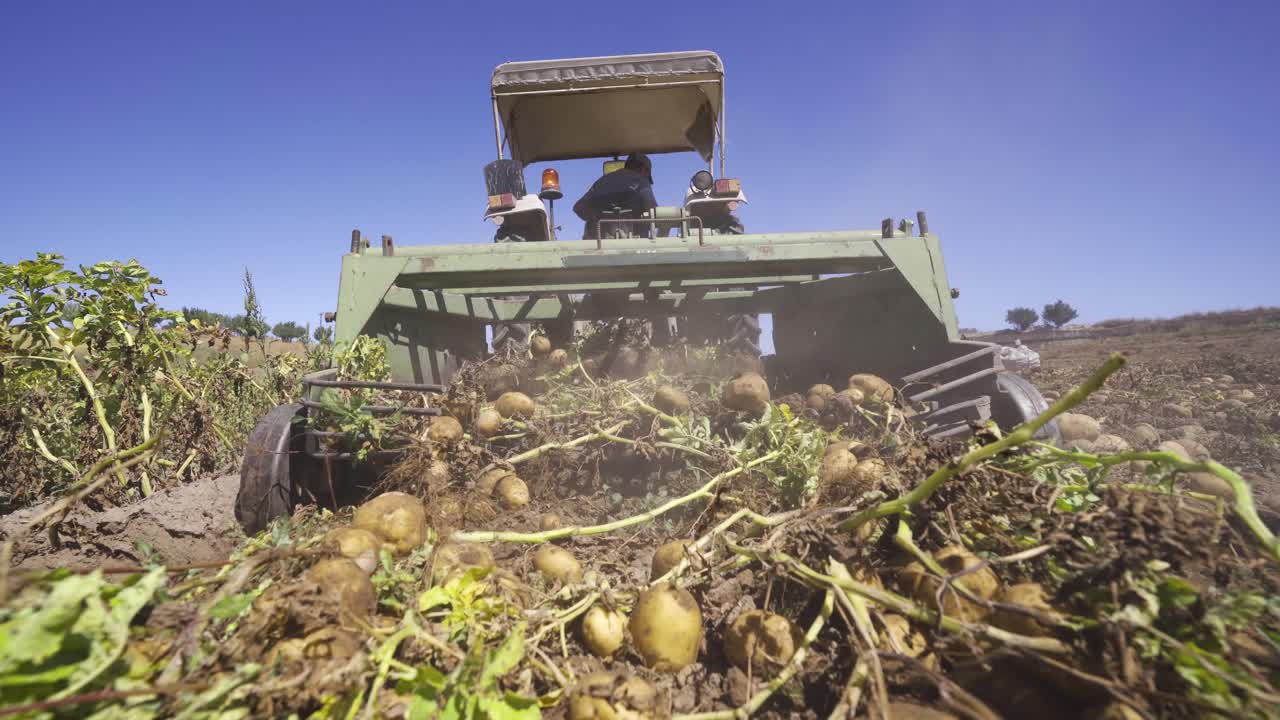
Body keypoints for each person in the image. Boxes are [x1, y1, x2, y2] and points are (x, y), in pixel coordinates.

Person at [573, 153, 658, 239]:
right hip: (636, 245)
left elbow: (578, 208)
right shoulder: (642, 181)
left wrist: (597, 216)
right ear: (644, 170)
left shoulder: (602, 181)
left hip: (600, 245)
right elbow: (655, 213)